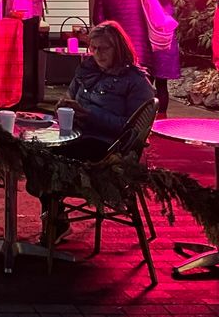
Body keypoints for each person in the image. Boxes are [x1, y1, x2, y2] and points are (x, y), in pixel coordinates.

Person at [41, 21, 156, 241]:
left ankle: (55, 217)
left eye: (104, 48)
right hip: (76, 135)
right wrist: (64, 107)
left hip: (109, 147)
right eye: (93, 48)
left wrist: (89, 114)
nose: (97, 54)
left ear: (119, 48)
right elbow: (70, 98)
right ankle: (55, 216)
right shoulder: (87, 70)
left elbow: (132, 129)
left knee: (48, 159)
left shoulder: (135, 81)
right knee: (36, 150)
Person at [92, 0, 154, 73]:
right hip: (141, 46)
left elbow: (98, 21)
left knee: (120, 79)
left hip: (119, 46)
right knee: (141, 79)